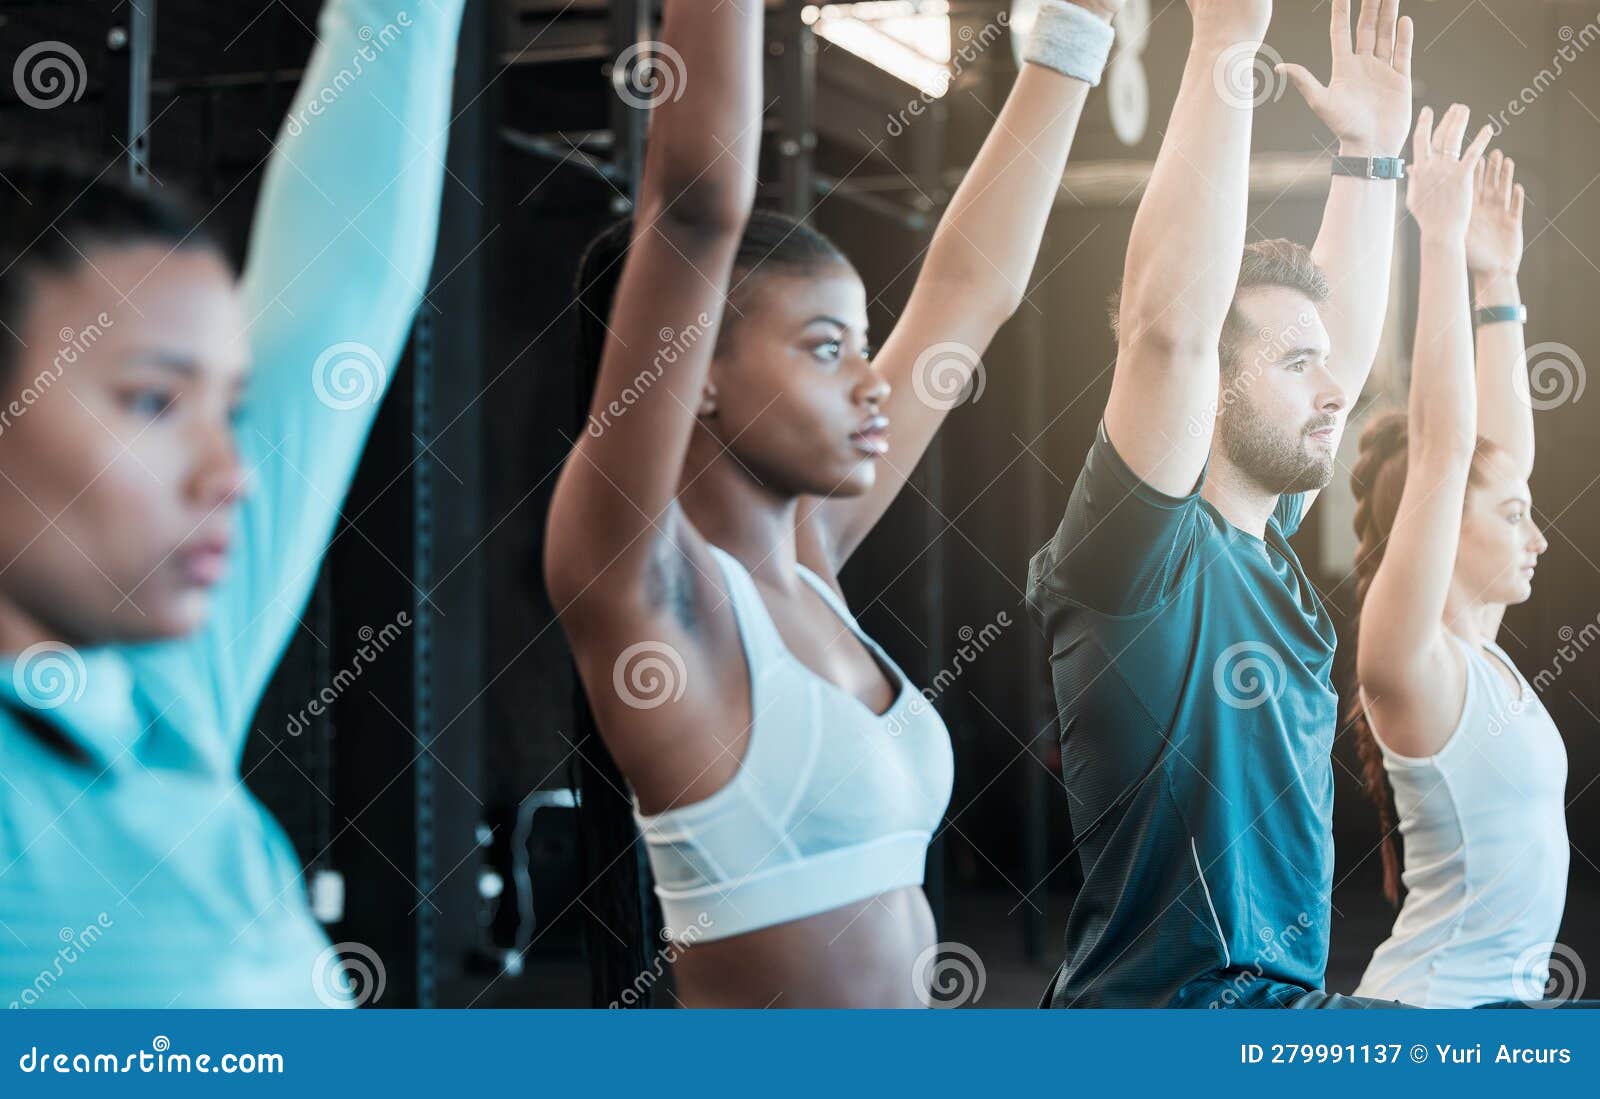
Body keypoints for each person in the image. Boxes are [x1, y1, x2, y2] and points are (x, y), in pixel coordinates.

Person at [545, 0, 1125, 1007]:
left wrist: (1074, 33)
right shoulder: (647, 588)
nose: (869, 382)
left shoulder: (809, 568)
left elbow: (969, 290)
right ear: (698, 373)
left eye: (862, 343)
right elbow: (694, 203)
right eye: (824, 349)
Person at [0, 0, 466, 1006]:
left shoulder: (153, 702)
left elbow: (349, 284)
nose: (231, 472)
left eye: (230, 409)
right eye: (155, 401)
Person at [1026, 0, 1417, 1008]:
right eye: (1292, 364)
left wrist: (1371, 158)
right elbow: (1167, 330)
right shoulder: (1137, 557)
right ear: (1212, 385)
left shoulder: (1265, 539)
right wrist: (1223, 45)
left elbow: (1342, 355)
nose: (1334, 391)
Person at [1346, 135, 1586, 1007]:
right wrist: (1436, 242)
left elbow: (1492, 456)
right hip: (1426, 1023)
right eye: (1514, 517)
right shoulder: (1413, 660)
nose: (1538, 536)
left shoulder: (1476, 648)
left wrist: (1497, 283)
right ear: (1441, 526)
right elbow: (1449, 450)